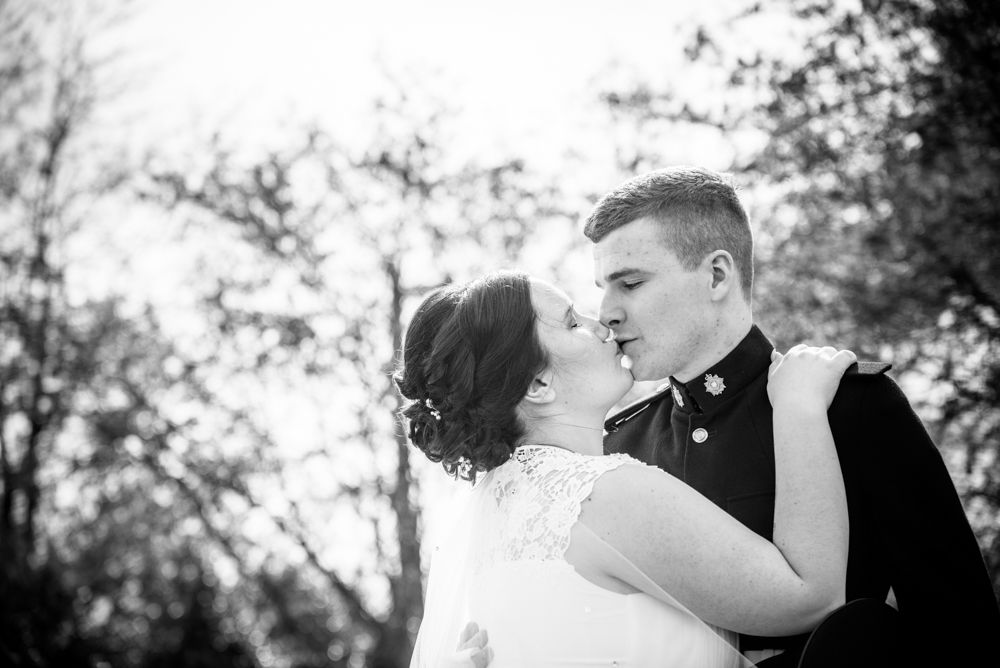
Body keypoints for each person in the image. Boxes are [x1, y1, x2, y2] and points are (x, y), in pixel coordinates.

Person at [585, 166, 1000, 666]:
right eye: (603, 288)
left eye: (630, 283)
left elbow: (961, 625)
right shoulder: (619, 448)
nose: (606, 311)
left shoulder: (852, 407)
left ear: (717, 274)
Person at [395, 270, 859, 667]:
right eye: (572, 322)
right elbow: (810, 598)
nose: (602, 326)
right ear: (538, 383)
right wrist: (799, 408)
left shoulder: (492, 513)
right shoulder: (600, 494)